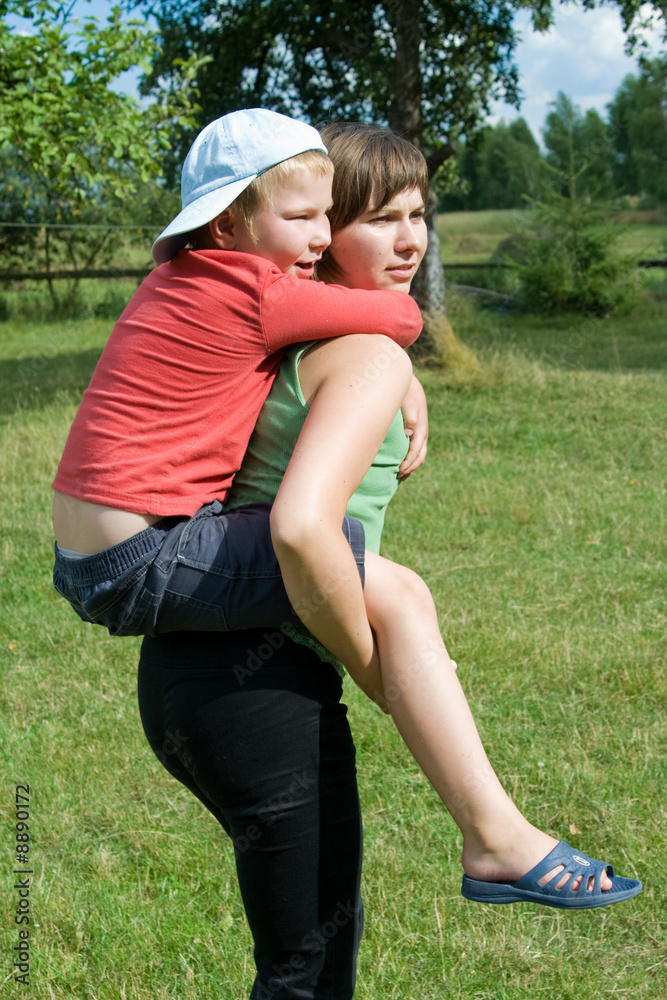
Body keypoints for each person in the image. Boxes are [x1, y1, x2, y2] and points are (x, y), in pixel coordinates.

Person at [138, 122, 641, 999]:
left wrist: (393, 364)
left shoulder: (293, 342)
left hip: (209, 673)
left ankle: (494, 832)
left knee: (312, 960)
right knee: (308, 973)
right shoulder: (358, 350)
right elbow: (303, 530)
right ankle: (494, 834)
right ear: (325, 229)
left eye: (420, 215)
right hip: (250, 684)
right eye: (380, 219)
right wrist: (380, 672)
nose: (410, 239)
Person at [51, 108, 422, 639]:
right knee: (332, 550)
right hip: (146, 557)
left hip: (77, 558)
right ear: (226, 225)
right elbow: (402, 317)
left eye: (328, 216)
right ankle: (381, 676)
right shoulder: (262, 294)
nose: (321, 237)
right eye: (301, 218)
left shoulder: (169, 281)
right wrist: (398, 372)